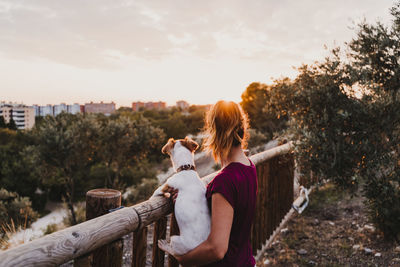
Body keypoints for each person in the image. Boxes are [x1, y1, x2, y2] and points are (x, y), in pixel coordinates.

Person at [162, 100, 258, 266]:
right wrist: (188, 197)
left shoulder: (225, 181)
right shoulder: (249, 167)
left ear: (215, 132)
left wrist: (183, 259)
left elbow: (217, 249)